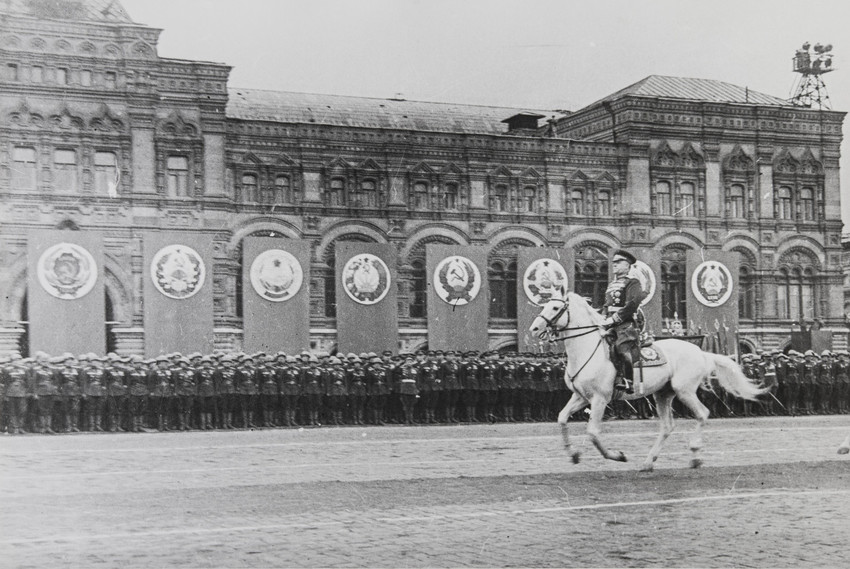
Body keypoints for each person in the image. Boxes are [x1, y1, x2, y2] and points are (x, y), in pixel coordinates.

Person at [601, 249, 645, 394]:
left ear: (627, 265)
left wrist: (614, 318)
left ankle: (628, 381)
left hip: (625, 323)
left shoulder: (633, 282)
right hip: (609, 323)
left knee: (622, 347)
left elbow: (633, 303)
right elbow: (606, 305)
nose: (614, 264)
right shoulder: (611, 284)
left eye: (618, 262)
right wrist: (603, 318)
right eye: (613, 262)